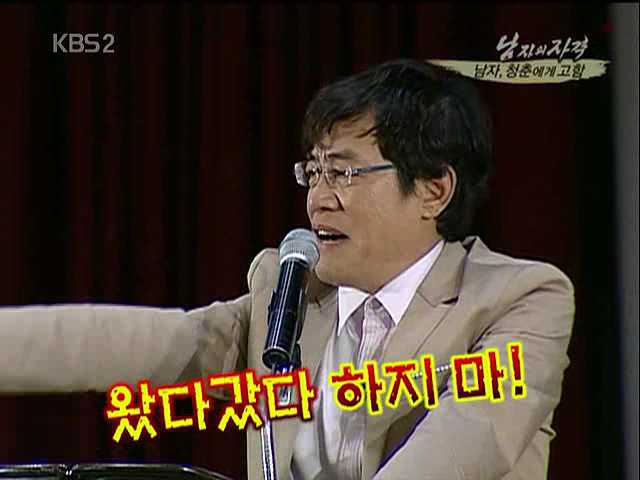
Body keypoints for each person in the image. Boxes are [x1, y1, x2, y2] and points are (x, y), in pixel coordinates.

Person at [0, 59, 574, 480]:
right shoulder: (291, 293)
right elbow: (136, 342)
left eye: (344, 173)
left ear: (433, 190)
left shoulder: (517, 299)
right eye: (313, 173)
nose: (318, 199)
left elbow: (464, 443)